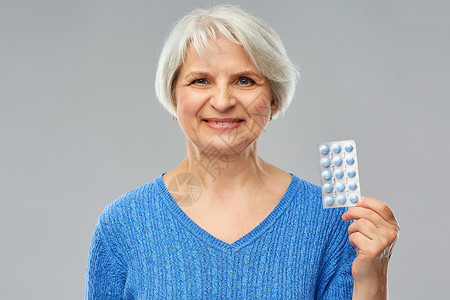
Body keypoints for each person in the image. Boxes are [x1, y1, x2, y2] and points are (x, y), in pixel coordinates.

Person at [85, 5, 399, 299]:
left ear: (273, 100)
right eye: (201, 80)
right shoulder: (122, 225)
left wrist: (373, 278)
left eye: (245, 80)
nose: (222, 101)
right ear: (173, 98)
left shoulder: (331, 221)